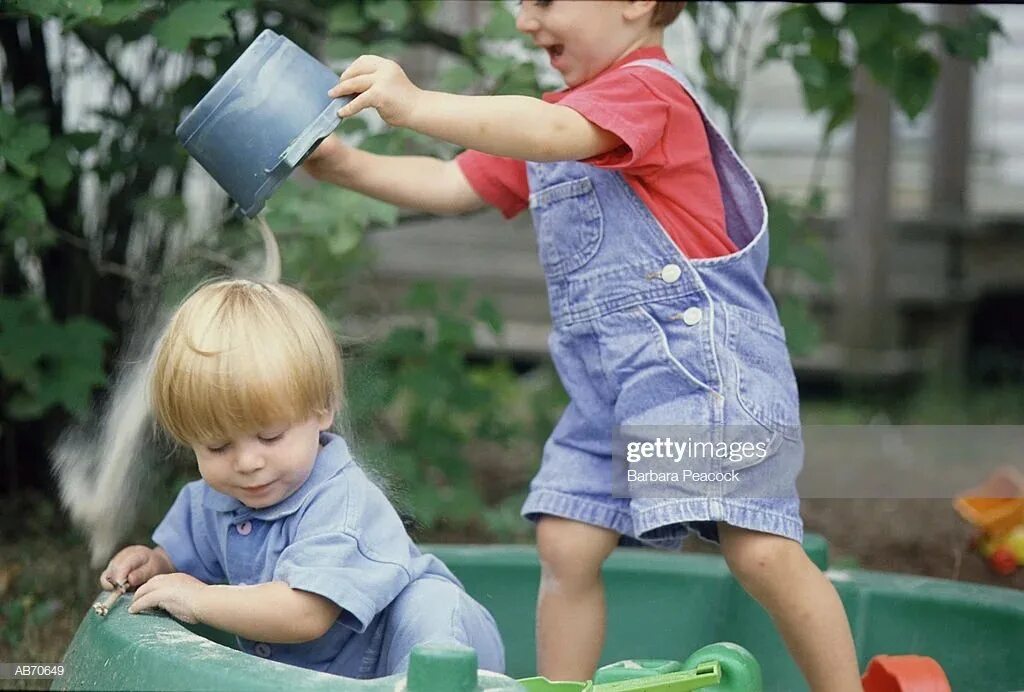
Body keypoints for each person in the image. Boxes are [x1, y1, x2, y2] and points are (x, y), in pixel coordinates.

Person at [301, 1, 861, 689]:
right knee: (567, 539)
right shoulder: (555, 126)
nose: (526, 21)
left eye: (544, 0)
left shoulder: (646, 95)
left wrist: (413, 103)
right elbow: (452, 183)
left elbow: (552, 129)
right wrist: (345, 167)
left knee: (759, 550)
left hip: (698, 373)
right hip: (607, 390)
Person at [99, 279, 505, 679]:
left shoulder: (340, 503)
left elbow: (305, 613)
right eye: (217, 447)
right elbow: (181, 559)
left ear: (323, 409)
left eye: (271, 436)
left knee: (428, 609)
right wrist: (153, 564)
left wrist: (201, 599)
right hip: (332, 674)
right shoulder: (213, 501)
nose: (247, 461)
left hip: (431, 655)